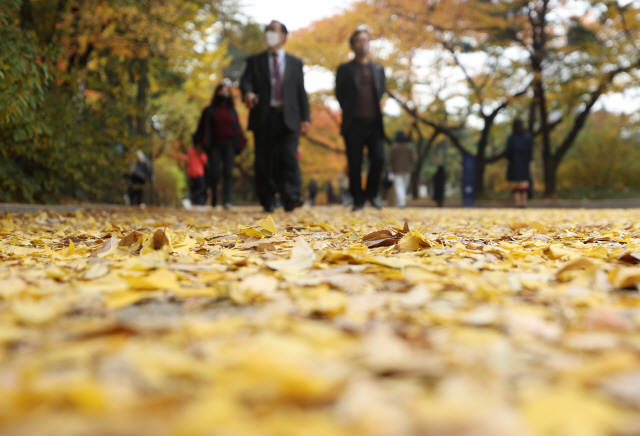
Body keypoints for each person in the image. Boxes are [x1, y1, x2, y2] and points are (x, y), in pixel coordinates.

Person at [240, 20, 310, 212]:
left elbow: (300, 92)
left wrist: (306, 118)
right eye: (267, 30)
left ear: (283, 36)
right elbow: (245, 82)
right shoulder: (255, 61)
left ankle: (292, 197)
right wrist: (248, 93)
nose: (269, 33)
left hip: (289, 117)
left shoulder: (296, 63)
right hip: (264, 116)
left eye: (273, 30)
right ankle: (267, 199)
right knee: (264, 160)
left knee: (289, 156)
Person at [336, 27, 386, 211]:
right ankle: (358, 199)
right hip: (354, 124)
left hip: (375, 123)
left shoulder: (378, 68)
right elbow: (339, 94)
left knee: (379, 158)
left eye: (366, 40)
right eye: (358, 40)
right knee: (354, 163)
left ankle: (371, 195)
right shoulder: (344, 69)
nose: (363, 43)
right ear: (352, 45)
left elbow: (381, 91)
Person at [193, 83, 246, 210]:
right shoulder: (209, 111)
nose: (224, 93)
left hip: (230, 146)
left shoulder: (232, 112)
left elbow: (238, 130)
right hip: (214, 146)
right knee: (214, 173)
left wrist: (241, 147)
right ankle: (214, 198)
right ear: (217, 93)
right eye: (221, 91)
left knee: (228, 173)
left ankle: (226, 200)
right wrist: (199, 144)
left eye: (226, 91)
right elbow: (202, 129)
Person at [170, 141, 209, 208]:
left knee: (195, 189)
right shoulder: (200, 151)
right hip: (198, 172)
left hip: (191, 172)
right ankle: (189, 199)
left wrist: (176, 154)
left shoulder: (191, 150)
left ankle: (198, 204)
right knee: (202, 188)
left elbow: (186, 158)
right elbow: (205, 160)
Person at [505, 118, 533, 208]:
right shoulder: (528, 137)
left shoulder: (511, 137)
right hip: (525, 161)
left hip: (514, 161)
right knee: (524, 183)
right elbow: (530, 151)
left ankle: (518, 204)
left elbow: (508, 151)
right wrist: (530, 161)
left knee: (516, 184)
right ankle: (524, 203)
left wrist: (508, 159)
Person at [388, 131, 416, 207]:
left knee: (399, 186)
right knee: (403, 186)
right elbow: (412, 158)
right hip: (407, 169)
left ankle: (401, 201)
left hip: (396, 169)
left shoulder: (393, 147)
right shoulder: (409, 146)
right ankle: (401, 201)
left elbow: (390, 159)